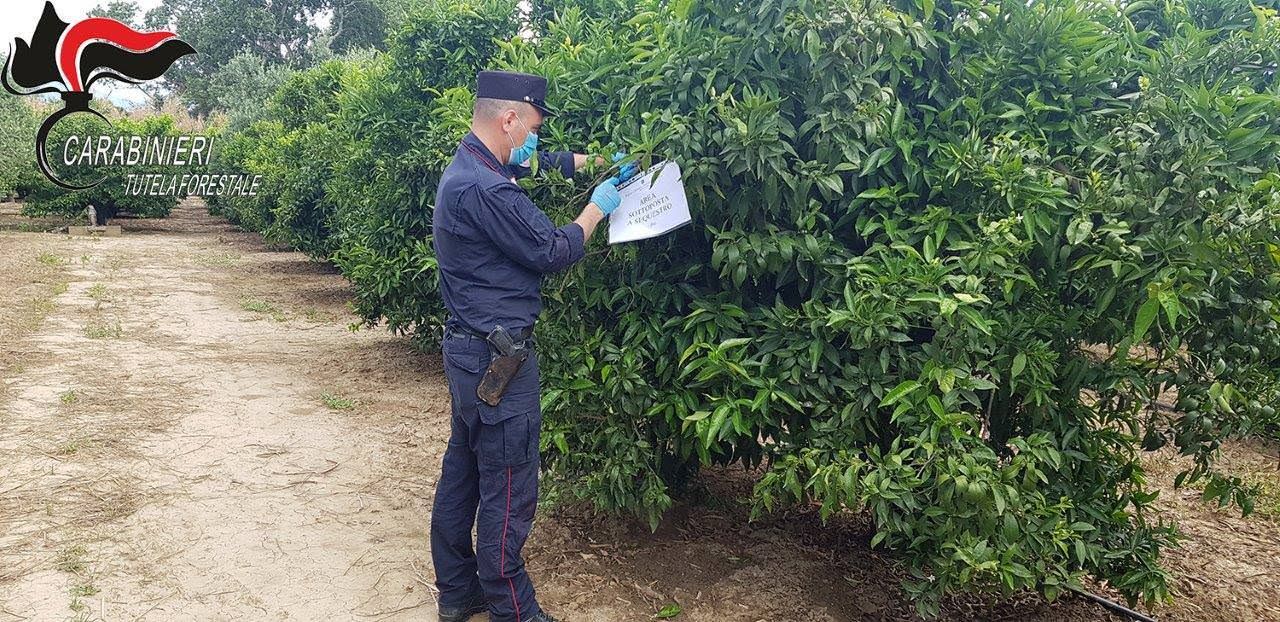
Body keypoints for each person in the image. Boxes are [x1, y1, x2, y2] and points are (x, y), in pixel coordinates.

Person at [429, 70, 637, 622]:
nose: (536, 139)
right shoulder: (489, 189)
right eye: (534, 127)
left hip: (468, 351)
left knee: (465, 470)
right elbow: (551, 249)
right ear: (509, 119)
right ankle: (512, 608)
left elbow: (539, 163)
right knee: (510, 480)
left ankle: (456, 591)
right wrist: (598, 206)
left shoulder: (472, 164)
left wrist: (596, 163)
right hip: (500, 362)